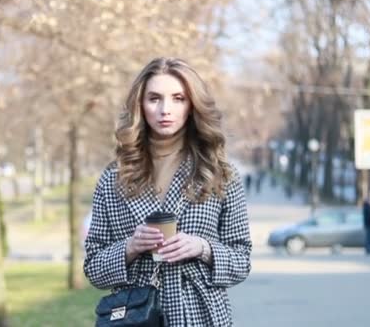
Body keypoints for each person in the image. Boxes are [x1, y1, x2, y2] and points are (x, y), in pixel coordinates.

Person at [84, 57, 252, 326]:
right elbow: (93, 269)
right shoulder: (114, 177)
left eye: (178, 98)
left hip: (200, 315)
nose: (165, 109)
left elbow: (241, 262)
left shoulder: (219, 172)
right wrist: (130, 247)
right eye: (154, 98)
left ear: (192, 105)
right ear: (140, 105)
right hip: (135, 315)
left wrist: (203, 248)